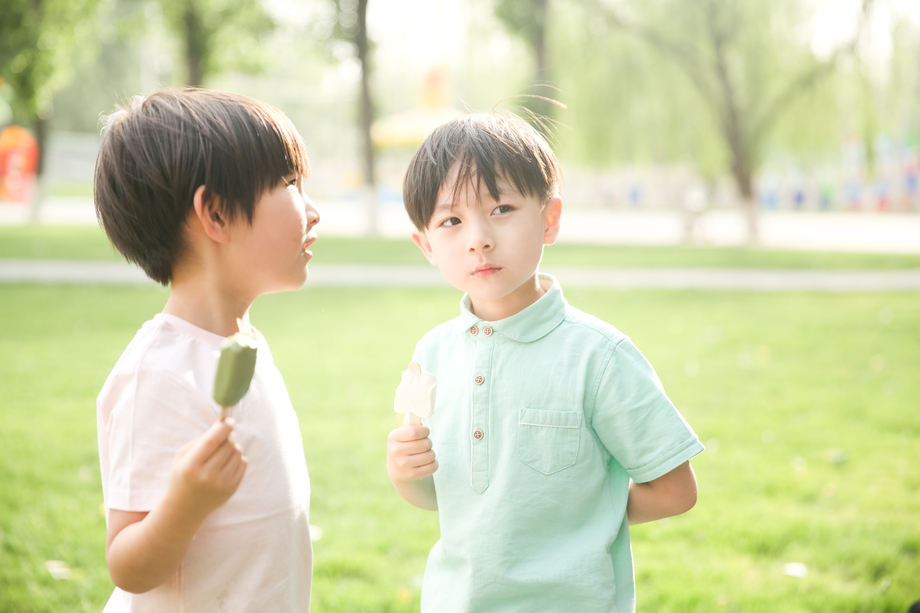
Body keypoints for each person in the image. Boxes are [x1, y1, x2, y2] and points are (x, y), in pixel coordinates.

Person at [386, 113, 704, 613]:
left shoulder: (600, 357)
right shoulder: (430, 355)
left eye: (502, 208)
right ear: (426, 244)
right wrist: (406, 474)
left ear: (549, 219)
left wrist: (584, 515)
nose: (479, 238)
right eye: (451, 221)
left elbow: (674, 490)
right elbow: (440, 497)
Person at [94, 89, 320, 612]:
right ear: (215, 214)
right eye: (289, 185)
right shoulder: (159, 373)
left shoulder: (244, 344)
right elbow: (127, 565)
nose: (313, 210)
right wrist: (185, 504)